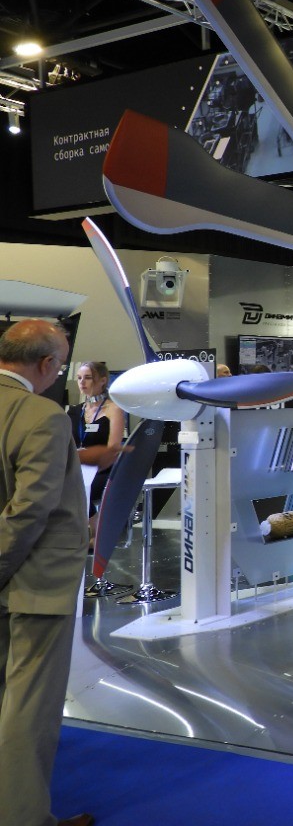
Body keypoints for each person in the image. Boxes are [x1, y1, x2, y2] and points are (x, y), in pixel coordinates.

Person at [0, 320, 95, 826]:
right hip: (33, 583)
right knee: (29, 708)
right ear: (46, 364)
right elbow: (29, 511)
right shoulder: (43, 416)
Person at [68, 361, 125, 529]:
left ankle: (95, 531)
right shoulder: (74, 411)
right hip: (77, 466)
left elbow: (113, 449)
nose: (82, 382)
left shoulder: (113, 409)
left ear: (102, 381)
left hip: (102, 468)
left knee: (74, 487)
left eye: (88, 378)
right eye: (79, 378)